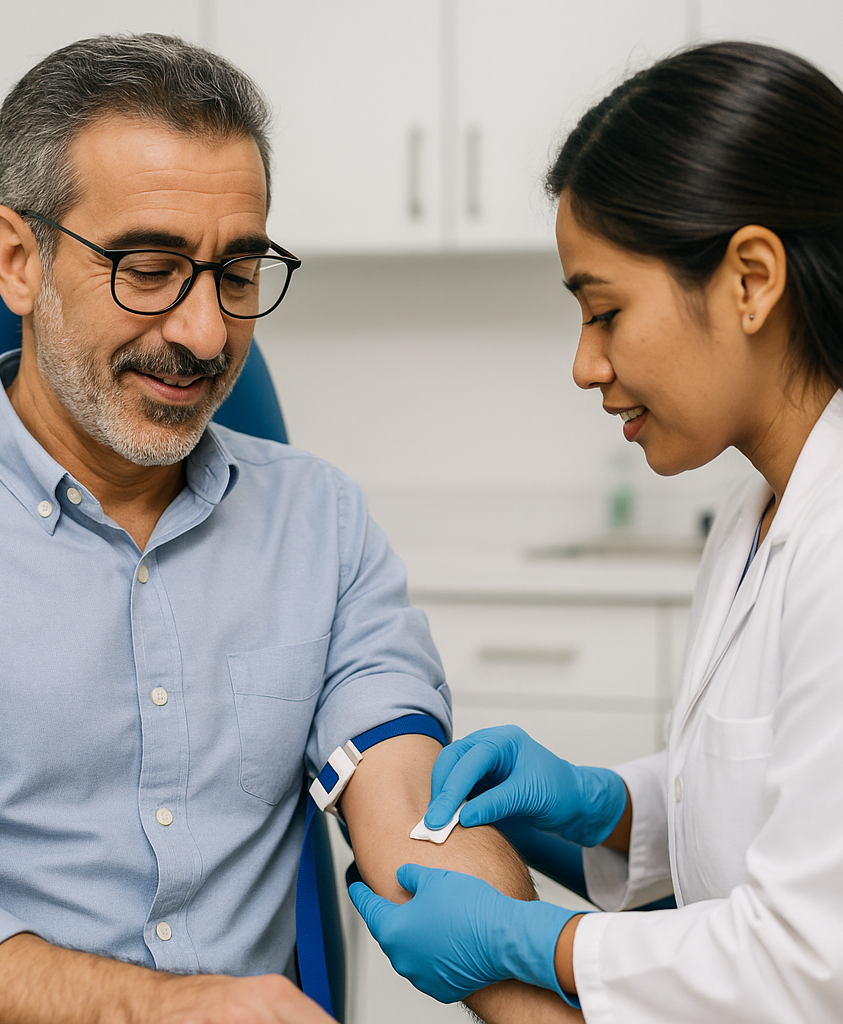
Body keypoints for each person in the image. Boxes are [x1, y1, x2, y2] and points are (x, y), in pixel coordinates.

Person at [0, 33, 538, 1024]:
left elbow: (410, 807)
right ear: (19, 261)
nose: (205, 334)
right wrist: (165, 1009)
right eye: (150, 269)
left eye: (237, 273)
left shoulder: (319, 520)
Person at [349, 40, 843, 1023]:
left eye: (605, 311)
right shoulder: (754, 513)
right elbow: (770, 799)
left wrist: (535, 942)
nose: (585, 364)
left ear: (751, 279)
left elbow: (806, 959)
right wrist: (603, 806)